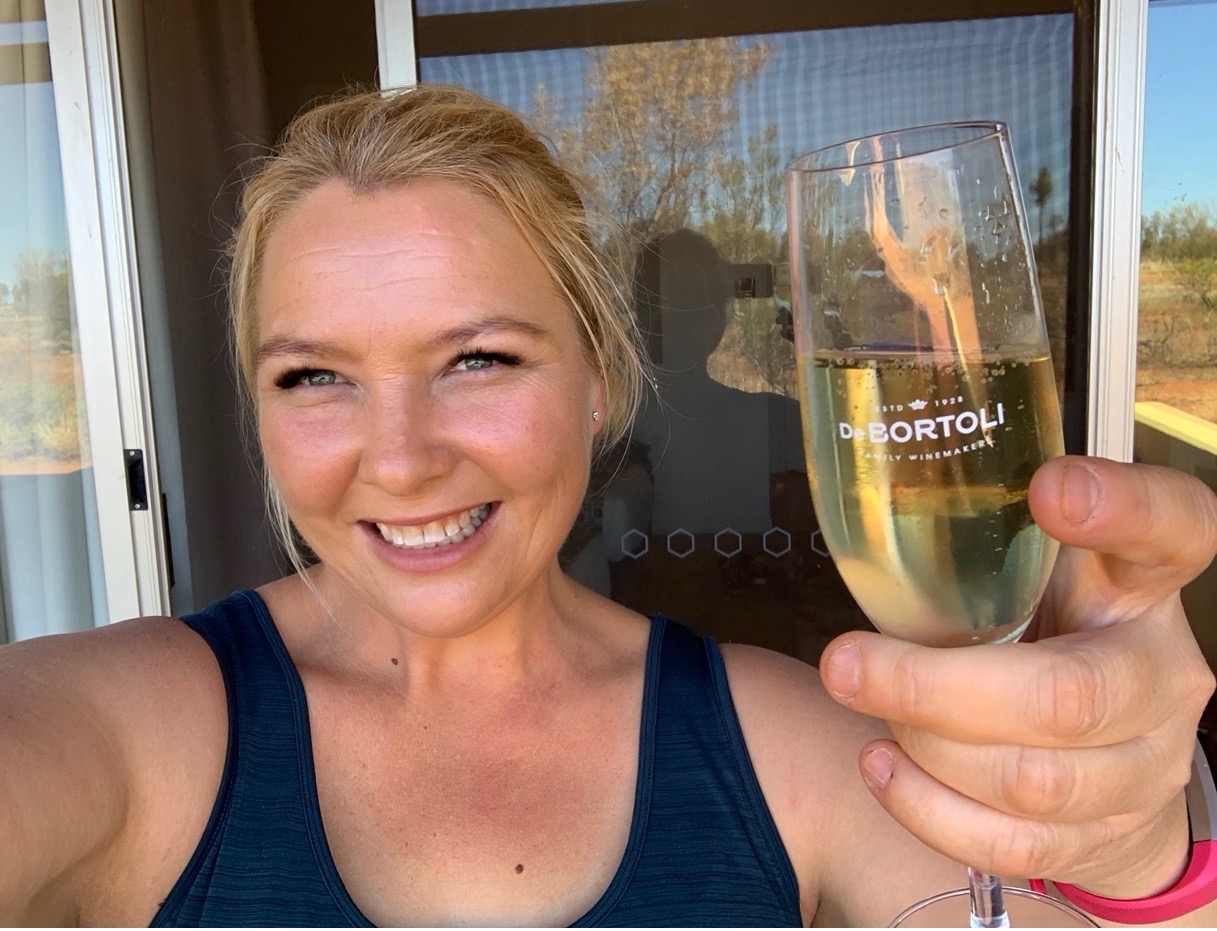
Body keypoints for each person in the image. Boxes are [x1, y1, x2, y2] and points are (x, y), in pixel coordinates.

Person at [1, 83, 1216, 928]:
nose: (401, 460)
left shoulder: (785, 748)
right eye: (312, 376)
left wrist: (1127, 850)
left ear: (595, 380)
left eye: (478, 358)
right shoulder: (132, 730)